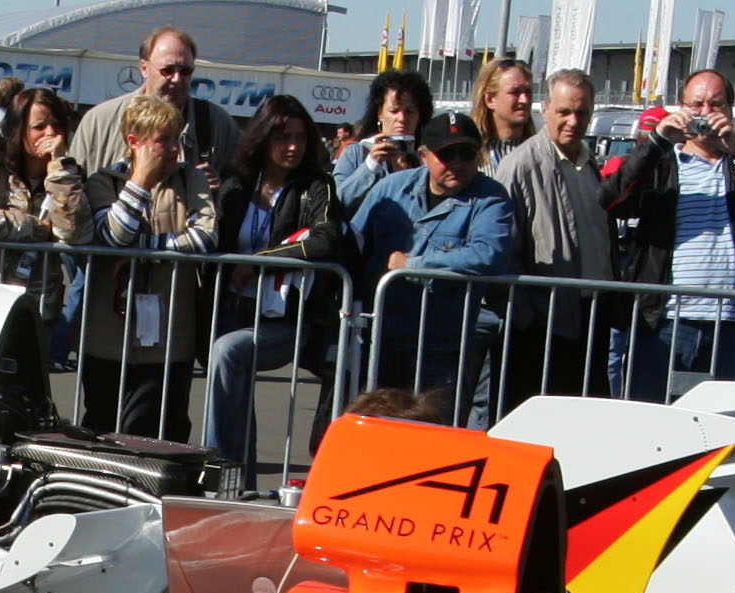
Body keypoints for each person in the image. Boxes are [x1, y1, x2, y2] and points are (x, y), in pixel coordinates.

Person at [603, 68, 735, 386]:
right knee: (654, 416)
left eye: (716, 105)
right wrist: (657, 141)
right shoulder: (664, 164)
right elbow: (612, 199)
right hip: (666, 318)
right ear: (682, 108)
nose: (706, 114)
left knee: (718, 425)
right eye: (697, 105)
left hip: (729, 320)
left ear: (730, 111)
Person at [201, 94, 352, 471]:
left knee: (228, 353)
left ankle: (214, 468)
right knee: (232, 389)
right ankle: (238, 481)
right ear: (263, 138)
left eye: (301, 138)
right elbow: (210, 240)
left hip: (288, 320)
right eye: (283, 137)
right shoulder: (237, 184)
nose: (293, 147)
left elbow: (324, 241)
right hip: (230, 308)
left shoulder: (317, 185)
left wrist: (257, 264)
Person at [350, 117, 516, 422]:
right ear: (424, 155)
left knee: (432, 439)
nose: (457, 163)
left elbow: (488, 254)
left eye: (467, 154)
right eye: (446, 154)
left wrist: (411, 266)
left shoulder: (491, 198)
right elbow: (353, 242)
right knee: (374, 435)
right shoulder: (390, 189)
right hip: (381, 339)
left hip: (443, 347)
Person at [80, 90, 220, 437]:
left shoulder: (191, 180)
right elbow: (113, 236)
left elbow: (205, 236)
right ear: (134, 142)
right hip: (107, 337)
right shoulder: (103, 182)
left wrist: (146, 246)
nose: (175, 148)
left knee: (165, 431)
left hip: (171, 336)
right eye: (164, 140)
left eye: (177, 138)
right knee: (105, 428)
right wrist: (140, 179)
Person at [490, 66, 615, 397]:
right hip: (543, 323)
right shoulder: (519, 166)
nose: (573, 121)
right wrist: (526, 316)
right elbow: (503, 251)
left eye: (581, 112)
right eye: (564, 112)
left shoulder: (590, 165)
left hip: (590, 315)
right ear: (545, 110)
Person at [0, 84, 92, 339]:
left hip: (39, 309)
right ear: (19, 129)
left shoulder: (67, 175)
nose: (51, 133)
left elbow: (77, 233)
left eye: (57, 125)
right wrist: (28, 227)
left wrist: (60, 171)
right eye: (39, 126)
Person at [68, 25, 233, 181]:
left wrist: (217, 193)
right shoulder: (100, 121)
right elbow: (73, 189)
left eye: (185, 71)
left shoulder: (216, 124)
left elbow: (240, 189)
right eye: (167, 70)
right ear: (144, 68)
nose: (177, 79)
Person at [331, 69, 435, 209]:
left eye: (409, 112)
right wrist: (370, 165)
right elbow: (335, 202)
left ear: (420, 116)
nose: (402, 119)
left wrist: (408, 173)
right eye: (394, 111)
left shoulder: (429, 158)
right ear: (380, 112)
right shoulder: (355, 153)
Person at [468, 56, 538, 158]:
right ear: (490, 100)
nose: (525, 100)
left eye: (528, 92)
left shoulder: (542, 154)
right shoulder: (469, 155)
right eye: (515, 92)